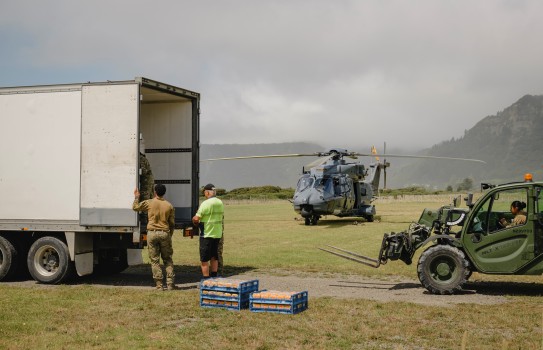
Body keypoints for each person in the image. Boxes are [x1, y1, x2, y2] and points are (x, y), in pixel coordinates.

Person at [133, 184, 177, 290]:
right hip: (165, 232)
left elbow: (135, 207)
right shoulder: (169, 205)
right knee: (167, 259)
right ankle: (170, 283)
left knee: (155, 260)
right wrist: (169, 234)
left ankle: (159, 284)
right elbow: (172, 223)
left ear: (155, 192)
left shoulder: (149, 202)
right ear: (164, 193)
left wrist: (136, 197)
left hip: (152, 233)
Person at [192, 184, 224, 278]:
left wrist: (194, 220)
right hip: (217, 233)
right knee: (214, 256)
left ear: (207, 192)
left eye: (205, 192)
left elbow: (197, 218)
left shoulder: (206, 203)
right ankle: (214, 276)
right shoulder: (220, 202)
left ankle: (206, 279)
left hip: (207, 233)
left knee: (204, 259)